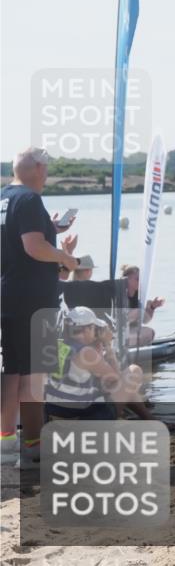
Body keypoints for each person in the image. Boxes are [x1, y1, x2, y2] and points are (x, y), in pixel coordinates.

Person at [1, 147, 79, 468]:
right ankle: (32, 444)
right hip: (32, 298)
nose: (47, 175)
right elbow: (33, 247)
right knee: (34, 373)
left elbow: (21, 239)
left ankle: (8, 442)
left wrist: (52, 229)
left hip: (9, 293)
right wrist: (64, 256)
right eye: (46, 168)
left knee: (13, 370)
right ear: (37, 169)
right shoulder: (30, 199)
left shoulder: (5, 198)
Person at [44, 307, 149, 421]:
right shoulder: (86, 353)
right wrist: (107, 344)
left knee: (119, 388)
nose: (96, 332)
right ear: (87, 329)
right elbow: (117, 380)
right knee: (134, 371)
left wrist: (97, 347)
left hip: (57, 412)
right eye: (94, 328)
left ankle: (150, 419)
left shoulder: (59, 345)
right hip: (82, 419)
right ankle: (150, 420)